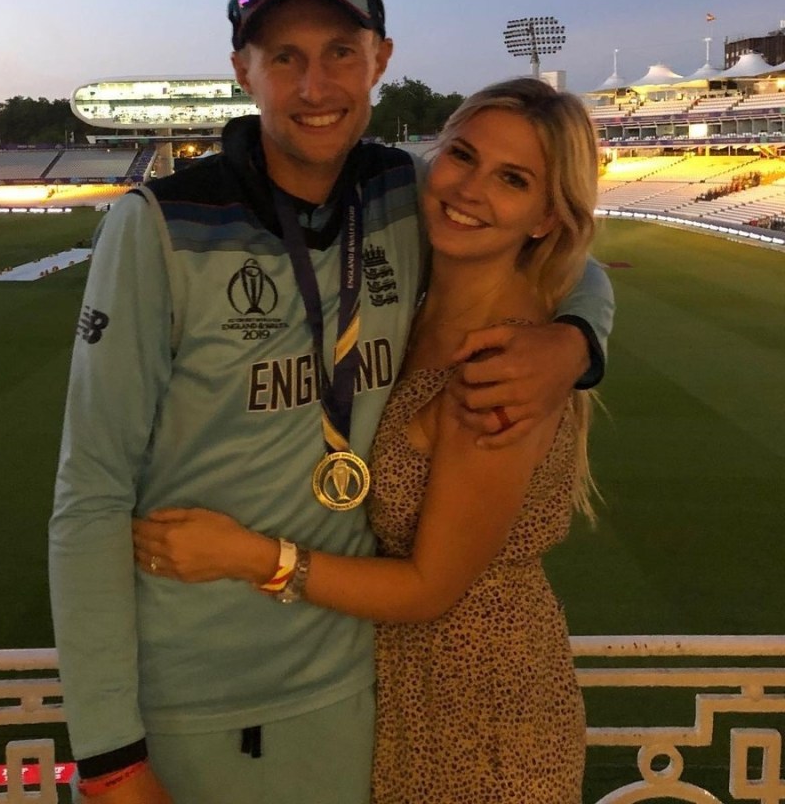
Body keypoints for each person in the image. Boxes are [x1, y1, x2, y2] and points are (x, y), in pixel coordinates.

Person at [49, 0, 614, 804]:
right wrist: (109, 756)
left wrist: (573, 342)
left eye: (341, 53)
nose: (316, 87)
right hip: (198, 694)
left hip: (357, 690)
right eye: (286, 58)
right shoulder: (157, 227)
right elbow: (90, 492)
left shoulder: (401, 194)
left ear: (379, 61)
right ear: (244, 70)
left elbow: (558, 247)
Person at [133, 77, 599, 803]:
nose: (471, 190)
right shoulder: (414, 307)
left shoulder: (501, 372)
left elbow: (428, 588)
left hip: (484, 715)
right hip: (409, 692)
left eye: (512, 180)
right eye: (463, 156)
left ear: (545, 218)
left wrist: (248, 555)